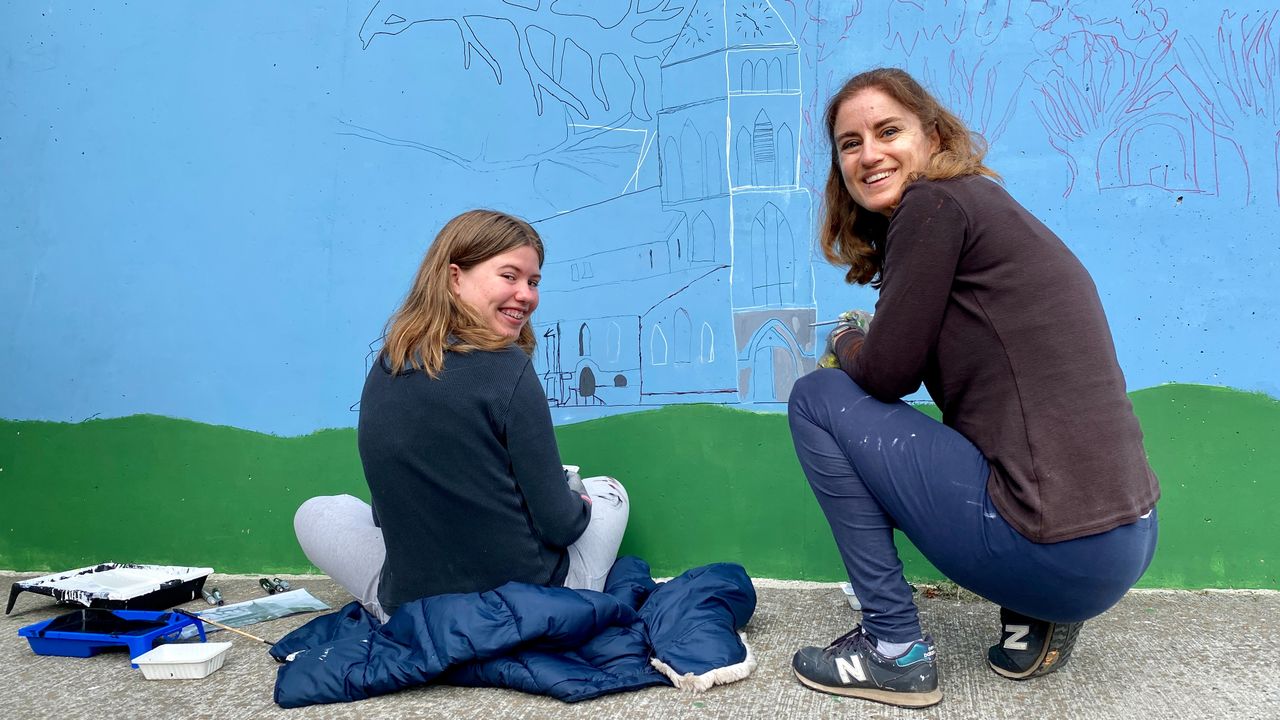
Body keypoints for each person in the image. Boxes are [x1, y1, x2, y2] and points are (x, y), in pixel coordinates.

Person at [786, 68, 1159, 708]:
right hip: (1125, 539)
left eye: (887, 131)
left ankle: (892, 650)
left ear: (932, 137)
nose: (868, 154)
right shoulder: (987, 211)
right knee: (989, 425)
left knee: (817, 399)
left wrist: (846, 337)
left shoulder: (934, 206)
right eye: (850, 143)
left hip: (1055, 546)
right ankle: (1036, 613)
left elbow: (884, 374)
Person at [294, 209, 629, 621]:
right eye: (510, 276)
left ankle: (399, 609)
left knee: (316, 512)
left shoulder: (388, 364)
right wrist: (578, 501)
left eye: (533, 281)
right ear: (455, 278)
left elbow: (385, 517)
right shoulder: (509, 367)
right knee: (608, 491)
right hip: (524, 605)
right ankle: (570, 596)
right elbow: (559, 526)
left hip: (414, 607)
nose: (526, 294)